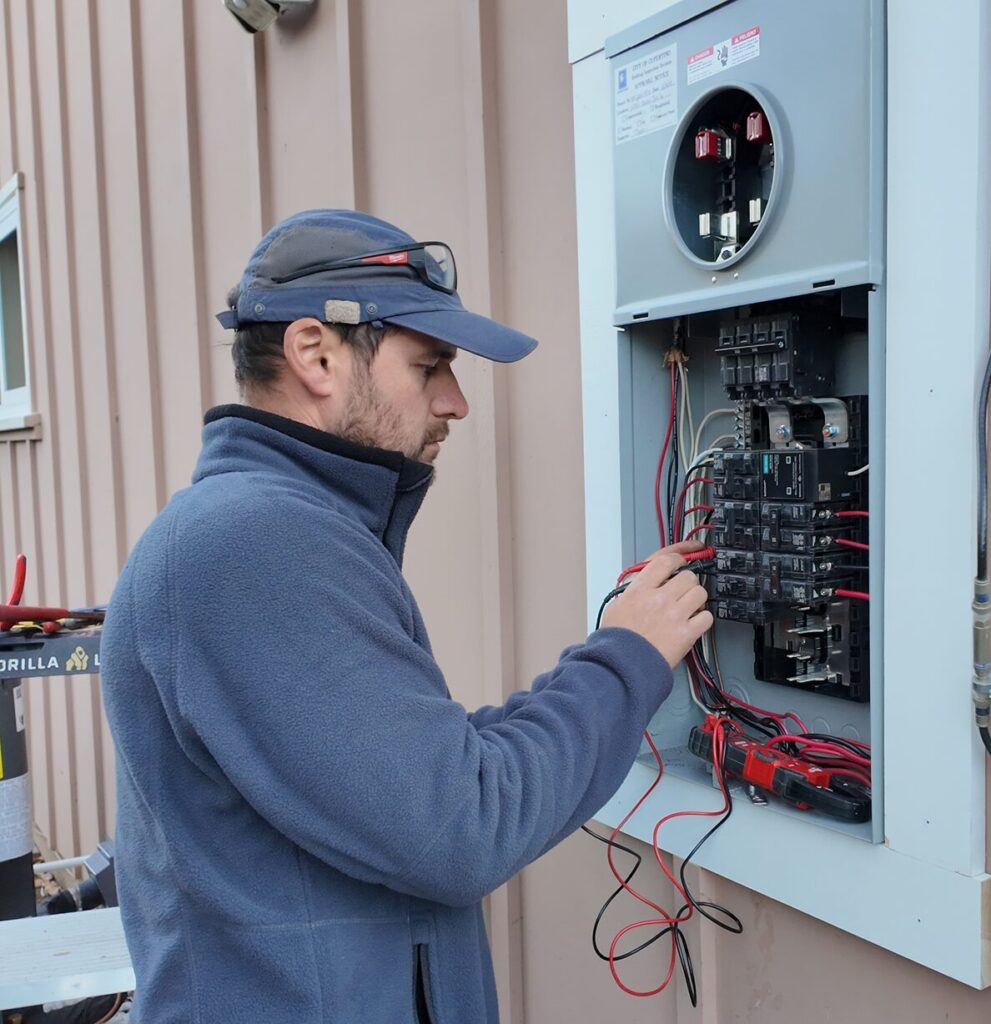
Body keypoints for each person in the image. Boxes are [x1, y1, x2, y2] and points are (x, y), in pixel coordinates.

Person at [100, 209, 713, 1023]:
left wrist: (604, 664)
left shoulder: (276, 529)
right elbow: (460, 827)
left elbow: (425, 771)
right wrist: (624, 660)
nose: (454, 401)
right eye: (429, 366)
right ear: (315, 353)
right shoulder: (255, 545)